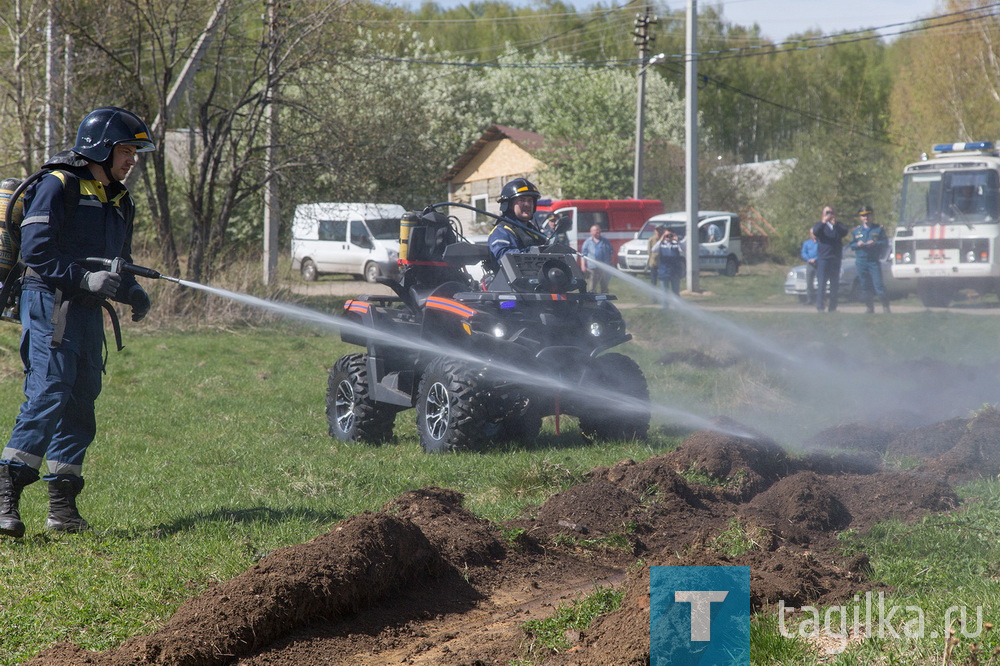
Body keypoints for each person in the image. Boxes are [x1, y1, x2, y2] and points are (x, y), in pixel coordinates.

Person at [0, 107, 155, 538]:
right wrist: (84, 277)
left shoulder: (121, 200)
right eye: (127, 150)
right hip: (49, 300)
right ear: (101, 147)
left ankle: (63, 509)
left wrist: (131, 292)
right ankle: (6, 492)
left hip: (86, 310)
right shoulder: (58, 185)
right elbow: (37, 251)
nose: (132, 160)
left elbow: (115, 264)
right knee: (50, 390)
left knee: (81, 397)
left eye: (136, 152)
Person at [488, 178, 547, 264]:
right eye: (522, 200)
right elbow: (503, 256)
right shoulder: (502, 231)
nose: (527, 205)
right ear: (509, 204)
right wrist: (532, 252)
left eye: (530, 200)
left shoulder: (532, 231)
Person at [849, 204, 891, 313]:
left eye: (868, 215)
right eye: (863, 216)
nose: (866, 218)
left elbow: (885, 243)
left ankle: (885, 307)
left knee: (878, 285)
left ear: (871, 216)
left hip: (873, 261)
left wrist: (875, 243)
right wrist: (857, 244)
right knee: (864, 285)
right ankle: (869, 307)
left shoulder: (878, 229)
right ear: (860, 217)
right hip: (861, 261)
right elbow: (851, 245)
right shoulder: (856, 231)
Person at [811, 205, 848, 312]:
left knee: (834, 284)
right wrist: (823, 222)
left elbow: (845, 232)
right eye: (827, 212)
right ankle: (820, 306)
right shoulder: (820, 225)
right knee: (822, 283)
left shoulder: (837, 225)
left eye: (831, 212)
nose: (829, 215)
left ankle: (833, 307)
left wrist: (835, 224)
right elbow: (816, 232)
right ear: (823, 214)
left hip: (835, 258)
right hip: (824, 258)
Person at [580, 224, 614, 293]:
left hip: (604, 267)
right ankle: (592, 301)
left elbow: (611, 253)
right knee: (592, 286)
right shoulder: (587, 242)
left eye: (599, 229)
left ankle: (605, 299)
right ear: (591, 232)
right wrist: (583, 265)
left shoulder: (605, 241)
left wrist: (611, 263)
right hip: (593, 267)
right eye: (596, 230)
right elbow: (583, 254)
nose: (598, 231)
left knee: (604, 285)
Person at [654, 230, 685, 300]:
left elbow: (683, 249)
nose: (668, 237)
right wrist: (661, 240)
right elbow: (653, 250)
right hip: (664, 271)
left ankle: (677, 307)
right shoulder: (661, 244)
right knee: (664, 291)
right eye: (666, 235)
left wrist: (678, 241)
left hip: (675, 271)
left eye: (670, 235)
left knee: (675, 291)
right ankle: (665, 307)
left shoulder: (676, 244)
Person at [800, 231, 818, 304]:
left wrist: (816, 259)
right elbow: (803, 252)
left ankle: (821, 299)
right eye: (812, 233)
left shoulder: (821, 243)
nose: (814, 235)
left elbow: (822, 252)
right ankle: (810, 299)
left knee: (820, 282)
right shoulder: (807, 243)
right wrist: (808, 259)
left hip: (818, 264)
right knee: (809, 282)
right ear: (810, 234)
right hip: (810, 264)